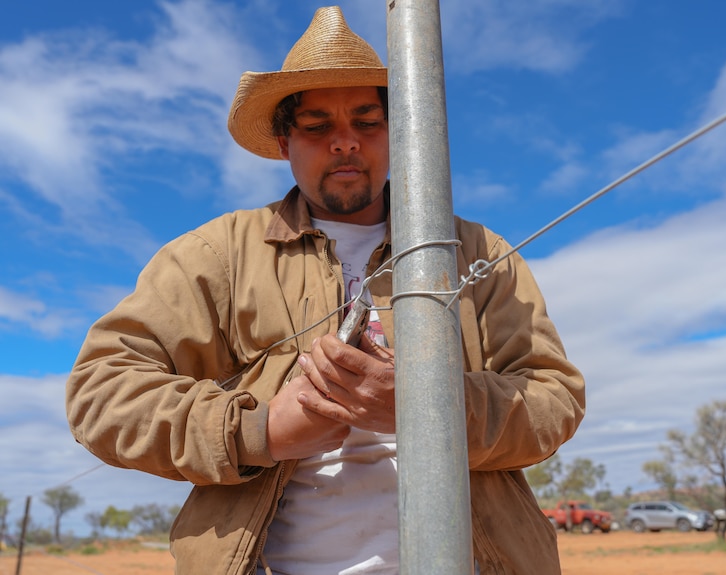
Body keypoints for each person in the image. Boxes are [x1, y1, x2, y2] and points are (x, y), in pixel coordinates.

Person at [66, 6, 585, 575]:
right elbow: (101, 393)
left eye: (367, 121)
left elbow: (553, 399)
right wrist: (260, 430)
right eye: (317, 127)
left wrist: (428, 408)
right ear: (286, 140)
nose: (344, 143)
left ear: (401, 130)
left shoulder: (479, 250)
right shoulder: (215, 255)